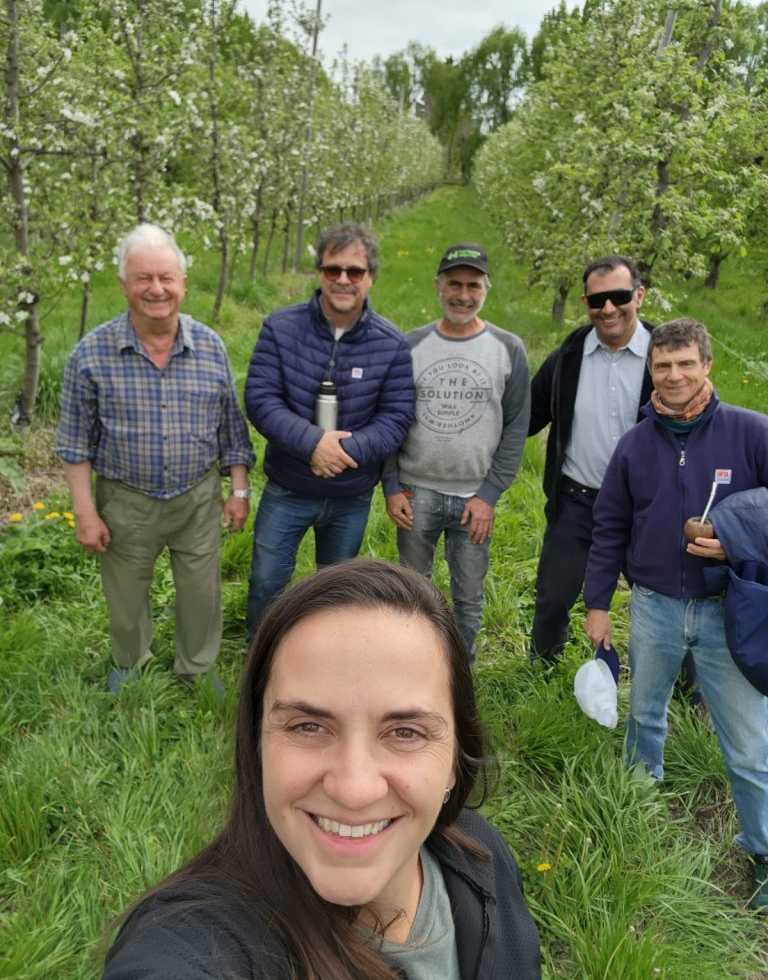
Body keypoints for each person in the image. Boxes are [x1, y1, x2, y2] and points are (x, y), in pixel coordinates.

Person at [101, 559, 542, 979]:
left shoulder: (480, 852)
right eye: (309, 726)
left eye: (405, 732)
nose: (354, 790)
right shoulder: (195, 942)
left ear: (453, 759)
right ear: (256, 745)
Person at [583, 318, 768, 914]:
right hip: (656, 606)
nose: (674, 375)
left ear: (707, 365)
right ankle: (639, 812)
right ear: (652, 371)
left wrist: (738, 543)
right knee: (644, 715)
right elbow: (609, 525)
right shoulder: (636, 444)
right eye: (663, 366)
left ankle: (761, 850)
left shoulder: (750, 433)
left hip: (727, 608)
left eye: (686, 363)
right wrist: (596, 604)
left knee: (747, 742)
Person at [56, 224, 255, 694]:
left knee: (200, 591)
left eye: (166, 277)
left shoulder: (210, 347)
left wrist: (239, 490)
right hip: (126, 499)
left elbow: (232, 427)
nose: (156, 289)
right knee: (125, 594)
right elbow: (74, 444)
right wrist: (85, 513)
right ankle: (130, 663)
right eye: (143, 278)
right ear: (124, 284)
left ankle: (197, 666)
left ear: (183, 283)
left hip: (197, 497)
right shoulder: (91, 355)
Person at [528, 255, 700, 702]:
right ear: (584, 302)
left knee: (668, 599)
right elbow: (527, 414)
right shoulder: (568, 356)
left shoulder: (666, 360)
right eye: (597, 299)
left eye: (619, 297)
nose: (608, 309)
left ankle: (687, 689)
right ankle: (542, 670)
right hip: (577, 501)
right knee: (552, 597)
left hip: (649, 506)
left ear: (638, 296)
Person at [244, 222, 414, 636]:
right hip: (287, 487)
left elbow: (396, 416)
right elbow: (261, 399)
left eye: (354, 272)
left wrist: (343, 451)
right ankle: (261, 655)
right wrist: (313, 444)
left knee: (336, 591)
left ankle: (320, 656)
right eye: (332, 269)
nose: (343, 280)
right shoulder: (280, 328)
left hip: (350, 495)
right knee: (268, 583)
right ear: (319, 271)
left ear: (370, 277)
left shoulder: (391, 343)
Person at [383, 242, 530, 662]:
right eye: (454, 284)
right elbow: (390, 419)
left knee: (468, 597)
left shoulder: (508, 349)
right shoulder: (409, 346)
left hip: (474, 499)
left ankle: (457, 671)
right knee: (413, 592)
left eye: (473, 285)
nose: (462, 294)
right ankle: (414, 665)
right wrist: (392, 484)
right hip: (415, 493)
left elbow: (516, 427)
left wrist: (490, 495)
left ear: (486, 288)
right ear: (437, 286)